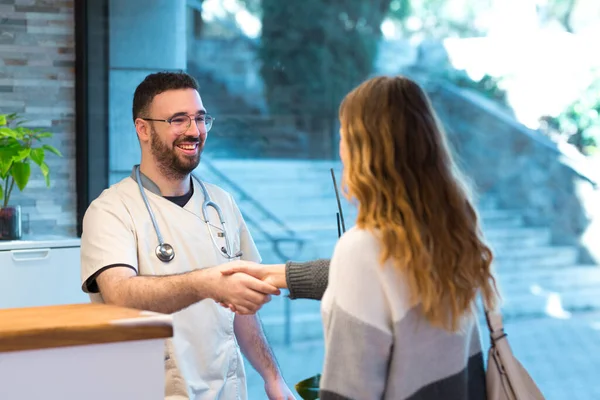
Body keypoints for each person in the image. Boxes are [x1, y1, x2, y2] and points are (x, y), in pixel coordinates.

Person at [230, 75, 500, 399]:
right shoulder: (448, 238)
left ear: (364, 151)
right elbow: (387, 279)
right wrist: (281, 275)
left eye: (344, 135)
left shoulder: (363, 250)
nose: (340, 149)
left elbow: (349, 391)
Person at [79, 71, 295, 400]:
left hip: (229, 390)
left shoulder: (222, 203)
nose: (194, 131)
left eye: (199, 118)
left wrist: (273, 377)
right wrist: (205, 283)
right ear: (143, 129)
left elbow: (240, 311)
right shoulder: (111, 210)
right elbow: (119, 293)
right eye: (179, 120)